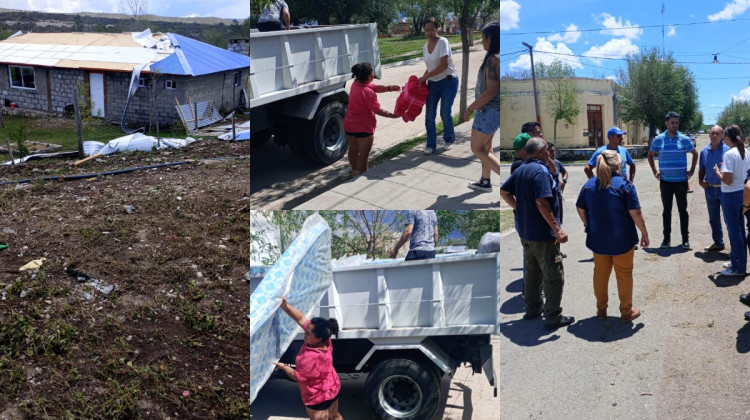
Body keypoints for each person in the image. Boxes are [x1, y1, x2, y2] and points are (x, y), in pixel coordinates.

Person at [500, 137, 575, 330]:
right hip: (542, 234)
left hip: (526, 232)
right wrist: (557, 229)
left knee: (532, 273)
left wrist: (518, 209)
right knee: (553, 275)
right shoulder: (540, 172)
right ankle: (552, 316)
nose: (550, 154)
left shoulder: (521, 169)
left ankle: (533, 309)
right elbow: (542, 202)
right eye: (547, 151)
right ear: (541, 151)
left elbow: (504, 192)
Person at [576, 150, 649, 323]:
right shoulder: (625, 185)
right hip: (622, 239)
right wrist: (644, 233)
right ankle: (626, 311)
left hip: (597, 238)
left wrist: (588, 224)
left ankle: (601, 309)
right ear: (617, 164)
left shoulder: (589, 185)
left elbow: (580, 208)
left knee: (600, 273)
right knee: (624, 274)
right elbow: (636, 213)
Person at [274, 297, 342, 419]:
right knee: (335, 416)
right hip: (333, 386)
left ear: (319, 338)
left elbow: (297, 377)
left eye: (308, 333)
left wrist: (283, 367)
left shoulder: (309, 358)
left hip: (317, 396)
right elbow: (300, 319)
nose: (305, 333)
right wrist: (285, 306)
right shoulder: (326, 340)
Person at [647, 111, 698, 249]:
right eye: (672, 122)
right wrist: (655, 171)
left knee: (683, 210)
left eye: (677, 123)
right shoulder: (659, 140)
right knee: (667, 211)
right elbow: (650, 155)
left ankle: (685, 239)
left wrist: (692, 170)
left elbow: (695, 153)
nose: (675, 125)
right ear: (666, 123)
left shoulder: (684, 139)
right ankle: (666, 239)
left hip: (681, 181)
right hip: (666, 182)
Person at [343, 63, 400, 177]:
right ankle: (362, 175)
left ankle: (354, 171)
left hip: (349, 124)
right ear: (369, 77)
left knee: (353, 149)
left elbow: (374, 87)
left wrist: (389, 88)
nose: (374, 75)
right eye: (373, 73)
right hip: (364, 127)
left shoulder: (356, 84)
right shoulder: (368, 93)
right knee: (363, 155)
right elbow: (377, 110)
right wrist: (393, 115)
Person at [465, 22, 500, 193]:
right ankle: (485, 181)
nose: (481, 42)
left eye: (483, 38)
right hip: (492, 112)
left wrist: (470, 108)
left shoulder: (493, 60)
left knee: (477, 149)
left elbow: (491, 91)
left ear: (490, 39)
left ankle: (510, 182)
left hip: (488, 111)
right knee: (486, 148)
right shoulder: (496, 57)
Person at [714, 124, 750, 276]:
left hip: (730, 194)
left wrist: (717, 172)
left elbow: (727, 180)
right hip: (742, 193)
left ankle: (738, 268)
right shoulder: (745, 151)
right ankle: (738, 261)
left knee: (734, 232)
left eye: (724, 136)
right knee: (740, 230)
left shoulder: (729, 154)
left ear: (727, 137)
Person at [419, 17, 459, 155]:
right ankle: (431, 144)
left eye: (432, 29)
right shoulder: (425, 47)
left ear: (438, 29)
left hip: (448, 81)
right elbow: (430, 67)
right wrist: (423, 79)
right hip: (433, 84)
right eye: (427, 30)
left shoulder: (443, 42)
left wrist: (425, 77)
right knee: (429, 115)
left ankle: (449, 139)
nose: (429, 32)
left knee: (444, 112)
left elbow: (444, 65)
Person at [698, 125, 729, 252]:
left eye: (717, 133)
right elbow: (702, 168)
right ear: (709, 134)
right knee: (713, 219)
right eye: (712, 133)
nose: (714, 136)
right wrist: (701, 181)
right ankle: (718, 243)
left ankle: (735, 249)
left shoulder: (728, 150)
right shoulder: (704, 151)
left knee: (729, 220)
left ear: (722, 136)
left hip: (726, 190)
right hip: (710, 189)